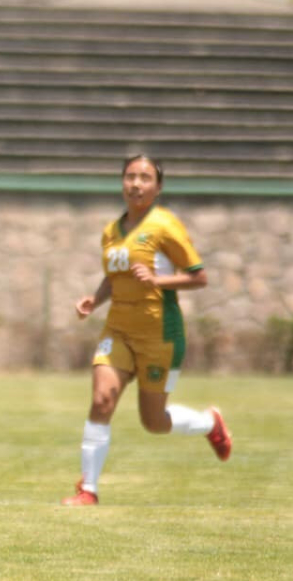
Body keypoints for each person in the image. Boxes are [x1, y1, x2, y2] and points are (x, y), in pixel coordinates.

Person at [63, 154, 233, 506]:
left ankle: (209, 423)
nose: (136, 184)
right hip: (119, 330)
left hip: (160, 334)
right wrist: (95, 300)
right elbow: (115, 275)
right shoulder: (112, 231)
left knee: (154, 422)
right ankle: (88, 490)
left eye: (144, 178)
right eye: (129, 176)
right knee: (101, 400)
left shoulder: (165, 226)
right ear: (121, 182)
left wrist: (158, 279)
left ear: (158, 187)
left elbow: (198, 277)